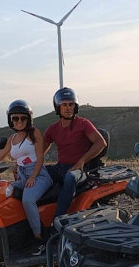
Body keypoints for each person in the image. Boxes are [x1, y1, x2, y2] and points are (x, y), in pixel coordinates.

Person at [0, 100, 53, 255]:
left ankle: (40, 239)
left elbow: (40, 157)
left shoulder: (33, 133)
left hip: (38, 174)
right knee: (3, 192)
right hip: (22, 175)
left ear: (28, 119)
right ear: (11, 120)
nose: (19, 121)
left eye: (23, 118)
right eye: (15, 118)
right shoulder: (12, 138)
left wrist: (33, 176)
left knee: (28, 200)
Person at [43, 87, 107, 217]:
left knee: (70, 177)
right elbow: (39, 152)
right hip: (60, 167)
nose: (68, 108)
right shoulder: (53, 129)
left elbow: (101, 143)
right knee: (39, 171)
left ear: (75, 106)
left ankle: (59, 218)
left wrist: (81, 161)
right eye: (64, 104)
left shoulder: (83, 124)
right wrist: (26, 166)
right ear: (58, 107)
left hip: (80, 169)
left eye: (71, 104)